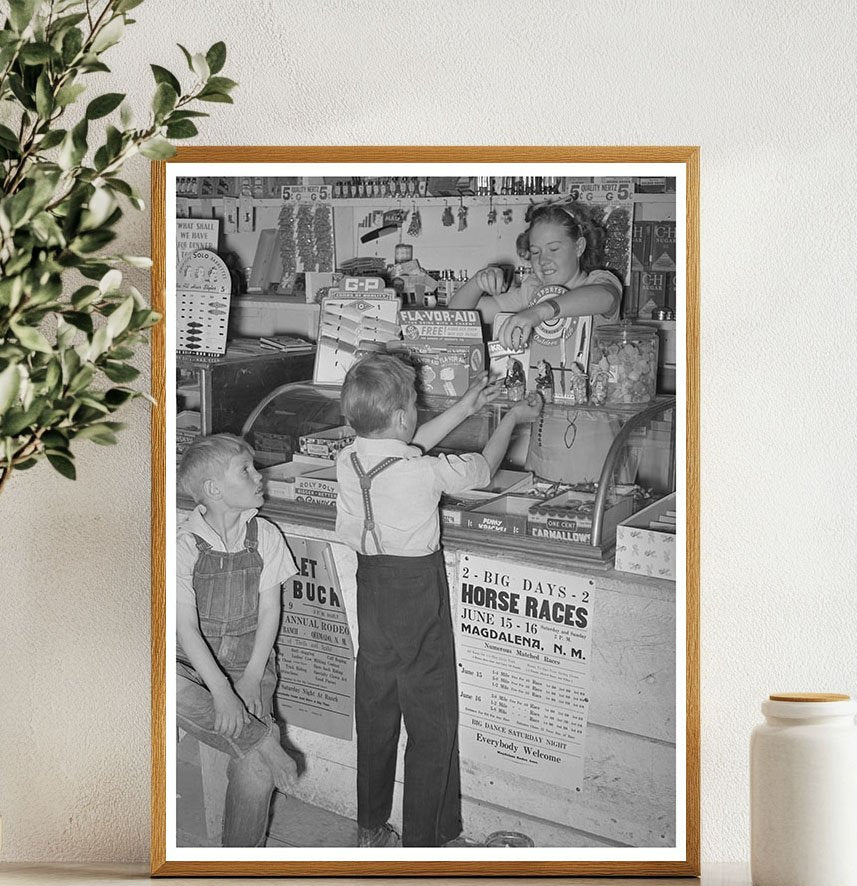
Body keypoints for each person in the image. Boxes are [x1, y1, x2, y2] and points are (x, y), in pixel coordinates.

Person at [335, 354, 540, 847]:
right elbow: (485, 470)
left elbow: (402, 447)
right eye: (414, 406)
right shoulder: (425, 472)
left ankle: (370, 829)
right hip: (417, 595)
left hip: (372, 592)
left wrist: (468, 405)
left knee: (377, 713)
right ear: (405, 416)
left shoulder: (348, 459)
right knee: (431, 720)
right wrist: (510, 418)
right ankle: (425, 841)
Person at [175, 433, 300, 847]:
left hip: (251, 663)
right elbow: (186, 629)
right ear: (214, 490)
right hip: (193, 670)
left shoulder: (265, 536)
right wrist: (222, 693)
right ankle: (263, 738)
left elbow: (269, 614)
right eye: (244, 470)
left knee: (258, 772)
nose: (257, 475)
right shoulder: (183, 545)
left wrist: (247, 680)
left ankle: (236, 871)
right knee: (159, 682)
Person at [449, 199, 623, 354]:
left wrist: (539, 312)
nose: (543, 260)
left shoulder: (599, 281)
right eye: (535, 252)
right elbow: (456, 315)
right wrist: (478, 282)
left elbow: (606, 297)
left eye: (554, 249)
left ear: (579, 247)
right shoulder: (532, 290)